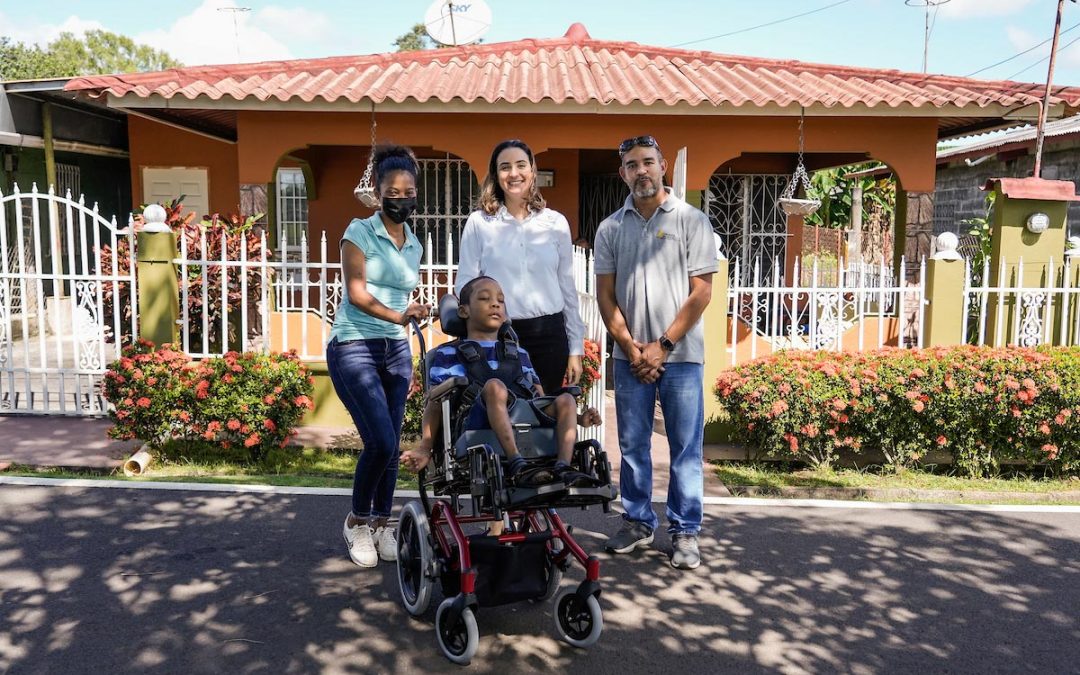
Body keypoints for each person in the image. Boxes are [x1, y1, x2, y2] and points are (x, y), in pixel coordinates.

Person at [594, 135, 717, 571]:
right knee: (631, 445)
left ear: (663, 165)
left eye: (648, 162)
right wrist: (631, 348)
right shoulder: (610, 228)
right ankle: (638, 521)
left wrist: (661, 347)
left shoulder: (691, 220)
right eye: (631, 164)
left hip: (680, 358)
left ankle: (685, 532)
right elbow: (605, 296)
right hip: (630, 360)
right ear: (623, 173)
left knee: (685, 447)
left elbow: (701, 293)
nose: (641, 170)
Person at [327, 144, 431, 569]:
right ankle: (356, 520)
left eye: (409, 192)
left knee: (390, 447)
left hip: (395, 350)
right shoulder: (358, 232)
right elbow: (357, 294)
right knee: (382, 441)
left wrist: (413, 314)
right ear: (378, 191)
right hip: (354, 345)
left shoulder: (415, 245)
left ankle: (381, 523)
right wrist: (399, 315)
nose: (401, 199)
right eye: (393, 191)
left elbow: (403, 297)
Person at [401, 276, 600, 487]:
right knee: (495, 387)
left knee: (566, 399)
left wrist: (578, 419)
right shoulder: (449, 353)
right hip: (475, 421)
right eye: (485, 298)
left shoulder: (519, 353)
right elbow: (435, 402)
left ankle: (563, 468)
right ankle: (517, 463)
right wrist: (425, 446)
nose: (495, 303)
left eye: (500, 300)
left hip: (522, 413)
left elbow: (540, 400)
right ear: (463, 311)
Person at [455, 139, 587, 396]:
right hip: (499, 335)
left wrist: (575, 348)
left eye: (520, 165)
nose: (513, 173)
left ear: (533, 171)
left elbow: (567, 288)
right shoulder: (479, 223)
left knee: (545, 417)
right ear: (496, 175)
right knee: (501, 418)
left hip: (550, 336)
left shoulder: (555, 223)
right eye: (505, 167)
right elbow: (465, 284)